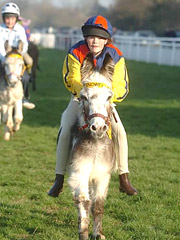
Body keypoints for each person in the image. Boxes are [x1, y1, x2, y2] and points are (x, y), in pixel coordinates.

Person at [48, 15, 138, 197]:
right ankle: (59, 178)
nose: (94, 41)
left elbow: (122, 84)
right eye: (90, 36)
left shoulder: (116, 55)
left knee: (120, 131)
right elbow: (70, 77)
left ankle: (123, 177)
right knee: (65, 129)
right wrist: (86, 92)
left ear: (106, 39)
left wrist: (108, 97)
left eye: (99, 37)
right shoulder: (75, 52)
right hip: (80, 98)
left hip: (105, 101)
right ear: (85, 38)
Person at [0, 2, 35, 109]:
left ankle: (24, 97)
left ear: (16, 19)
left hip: (18, 54)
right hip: (4, 55)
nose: (9, 21)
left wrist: (18, 57)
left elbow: (24, 45)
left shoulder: (20, 29)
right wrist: (4, 59)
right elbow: (0, 46)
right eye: (7, 18)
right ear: (3, 18)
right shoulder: (0, 30)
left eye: (12, 18)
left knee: (29, 63)